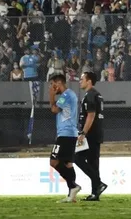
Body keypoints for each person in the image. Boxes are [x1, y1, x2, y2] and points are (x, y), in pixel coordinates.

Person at [49, 73, 82, 202]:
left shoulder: (66, 95)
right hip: (70, 134)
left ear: (59, 83)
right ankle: (71, 195)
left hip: (65, 134)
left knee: (53, 161)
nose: (52, 87)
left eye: (53, 84)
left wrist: (51, 96)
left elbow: (54, 110)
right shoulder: (69, 95)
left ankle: (73, 186)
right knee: (68, 164)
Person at [75, 71, 107, 201]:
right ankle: (95, 193)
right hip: (96, 133)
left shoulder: (90, 95)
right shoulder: (96, 94)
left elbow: (91, 115)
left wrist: (83, 133)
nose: (80, 81)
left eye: (82, 79)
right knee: (93, 163)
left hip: (90, 134)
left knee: (77, 158)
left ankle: (98, 183)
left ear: (89, 81)